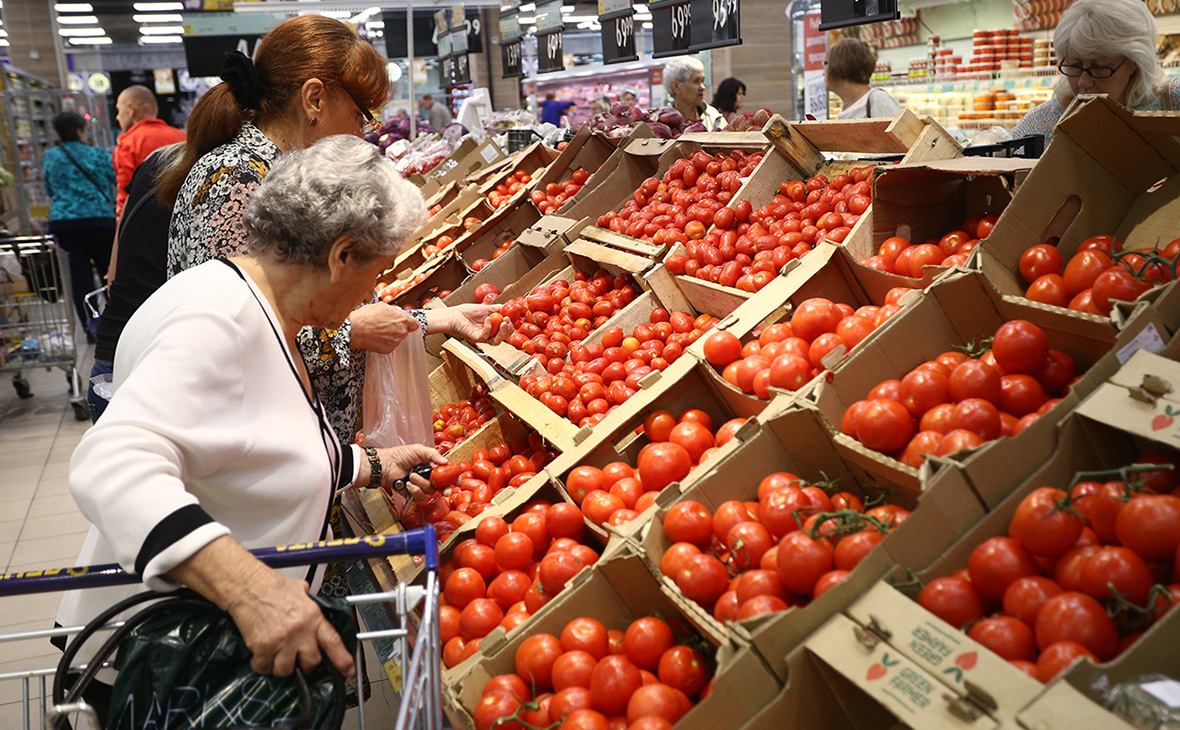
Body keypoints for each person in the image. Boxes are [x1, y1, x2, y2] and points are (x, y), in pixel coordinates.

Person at [58, 135, 448, 718]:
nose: (376, 291)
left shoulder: (244, 295)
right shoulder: (219, 320)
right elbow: (111, 460)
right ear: (342, 255)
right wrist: (251, 589)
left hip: (198, 652)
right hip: (165, 663)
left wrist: (366, 466)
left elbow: (248, 442)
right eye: (378, 270)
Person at [159, 13, 508, 449]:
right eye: (362, 115)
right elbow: (238, 340)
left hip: (303, 453)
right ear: (314, 100)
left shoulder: (284, 173)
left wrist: (434, 320)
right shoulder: (238, 181)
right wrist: (356, 332)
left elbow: (311, 306)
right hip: (257, 461)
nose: (364, 135)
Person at [88, 143, 182, 423]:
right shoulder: (230, 176)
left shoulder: (156, 160)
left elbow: (112, 274)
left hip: (115, 346)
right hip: (169, 359)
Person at [1013, 0, 1180, 146]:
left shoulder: (1173, 103)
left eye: (1100, 67)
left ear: (1134, 63)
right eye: (1075, 66)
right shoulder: (1039, 127)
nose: (1083, 82)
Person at [43, 111, 116, 330]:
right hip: (99, 220)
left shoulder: (51, 156)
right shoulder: (98, 154)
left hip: (64, 223)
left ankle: (90, 326)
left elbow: (48, 188)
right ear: (79, 131)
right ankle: (116, 325)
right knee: (109, 273)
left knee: (79, 277)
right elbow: (116, 179)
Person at [112, 85, 186, 220]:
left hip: (146, 222)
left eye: (118, 110)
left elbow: (125, 196)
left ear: (130, 109)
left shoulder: (127, 143)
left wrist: (120, 233)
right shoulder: (182, 138)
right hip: (182, 215)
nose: (117, 117)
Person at [824, 38, 901, 120]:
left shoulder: (878, 100)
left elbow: (902, 132)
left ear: (842, 65)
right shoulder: (845, 109)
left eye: (826, 63)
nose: (823, 72)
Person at [663, 57, 726, 130]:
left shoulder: (714, 118)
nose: (703, 87)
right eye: (696, 81)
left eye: (702, 81)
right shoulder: (660, 124)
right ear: (676, 86)